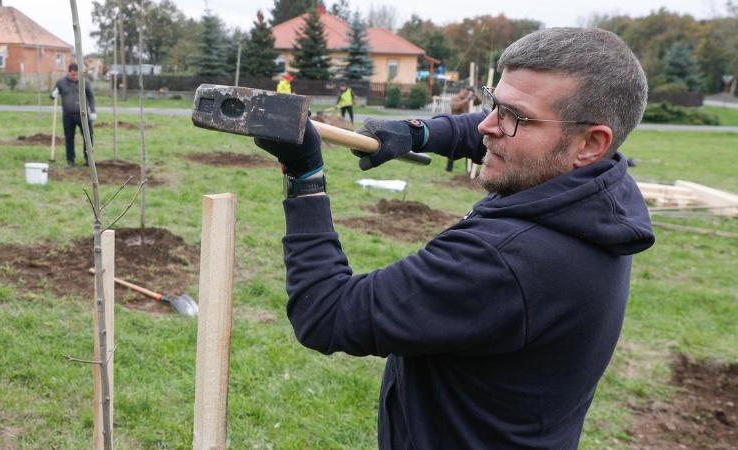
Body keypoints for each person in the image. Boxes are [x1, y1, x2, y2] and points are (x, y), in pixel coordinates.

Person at [253, 27, 655, 449]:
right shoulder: (599, 193)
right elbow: (495, 132)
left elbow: (326, 313)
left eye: (512, 116)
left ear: (591, 142)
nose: (487, 125)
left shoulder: (502, 260)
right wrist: (420, 132)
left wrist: (305, 178)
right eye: (493, 103)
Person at [51, 63, 96, 168]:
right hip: (68, 115)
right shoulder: (61, 82)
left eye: (76, 75)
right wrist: (54, 94)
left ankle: (88, 159)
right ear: (69, 72)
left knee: (88, 137)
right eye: (72, 75)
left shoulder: (85, 82)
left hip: (83, 115)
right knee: (69, 138)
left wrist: (93, 111)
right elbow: (52, 96)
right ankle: (70, 160)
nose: (74, 77)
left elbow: (91, 96)